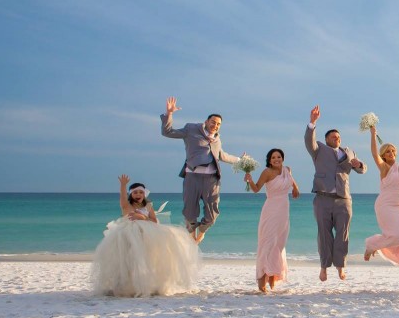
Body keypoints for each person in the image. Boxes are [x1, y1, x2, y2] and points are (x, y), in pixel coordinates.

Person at [91, 174, 200, 297]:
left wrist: (142, 217)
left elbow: (153, 220)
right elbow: (122, 199)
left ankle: (148, 284)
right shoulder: (127, 206)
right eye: (135, 192)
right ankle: (124, 285)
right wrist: (123, 185)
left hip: (147, 235)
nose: (138, 195)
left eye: (141, 192)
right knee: (128, 260)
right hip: (128, 233)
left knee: (147, 259)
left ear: (144, 194)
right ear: (131, 194)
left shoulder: (148, 206)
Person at [160, 96, 246, 244]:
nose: (215, 125)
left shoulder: (217, 139)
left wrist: (240, 160)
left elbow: (221, 155)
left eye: (218, 124)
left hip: (211, 179)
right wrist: (169, 114)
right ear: (206, 122)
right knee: (189, 212)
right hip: (192, 177)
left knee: (212, 214)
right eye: (213, 122)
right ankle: (192, 231)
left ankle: (203, 230)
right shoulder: (190, 129)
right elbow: (167, 132)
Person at [305, 105, 367, 282]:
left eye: (338, 136)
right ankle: (324, 267)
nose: (337, 138)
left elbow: (363, 169)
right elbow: (309, 140)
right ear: (326, 139)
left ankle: (341, 266)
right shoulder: (318, 150)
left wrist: (359, 165)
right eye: (333, 136)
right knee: (324, 234)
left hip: (343, 199)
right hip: (323, 198)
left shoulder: (349, 152)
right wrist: (312, 122)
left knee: (343, 234)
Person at [244, 148, 300, 293]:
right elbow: (256, 189)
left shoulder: (287, 170)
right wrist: (249, 180)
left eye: (279, 157)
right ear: (269, 160)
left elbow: (292, 183)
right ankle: (261, 282)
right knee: (267, 244)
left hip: (283, 212)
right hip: (271, 211)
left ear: (282, 158)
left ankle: (272, 281)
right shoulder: (267, 172)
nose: (276, 159)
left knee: (278, 245)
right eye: (273, 157)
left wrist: (295, 189)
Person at [363, 123, 399, 266]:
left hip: (397, 204)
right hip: (385, 204)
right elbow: (374, 153)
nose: (391, 153)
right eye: (387, 152)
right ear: (383, 155)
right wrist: (373, 134)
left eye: (393, 151)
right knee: (395, 235)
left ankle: (375, 245)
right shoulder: (384, 167)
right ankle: (371, 245)